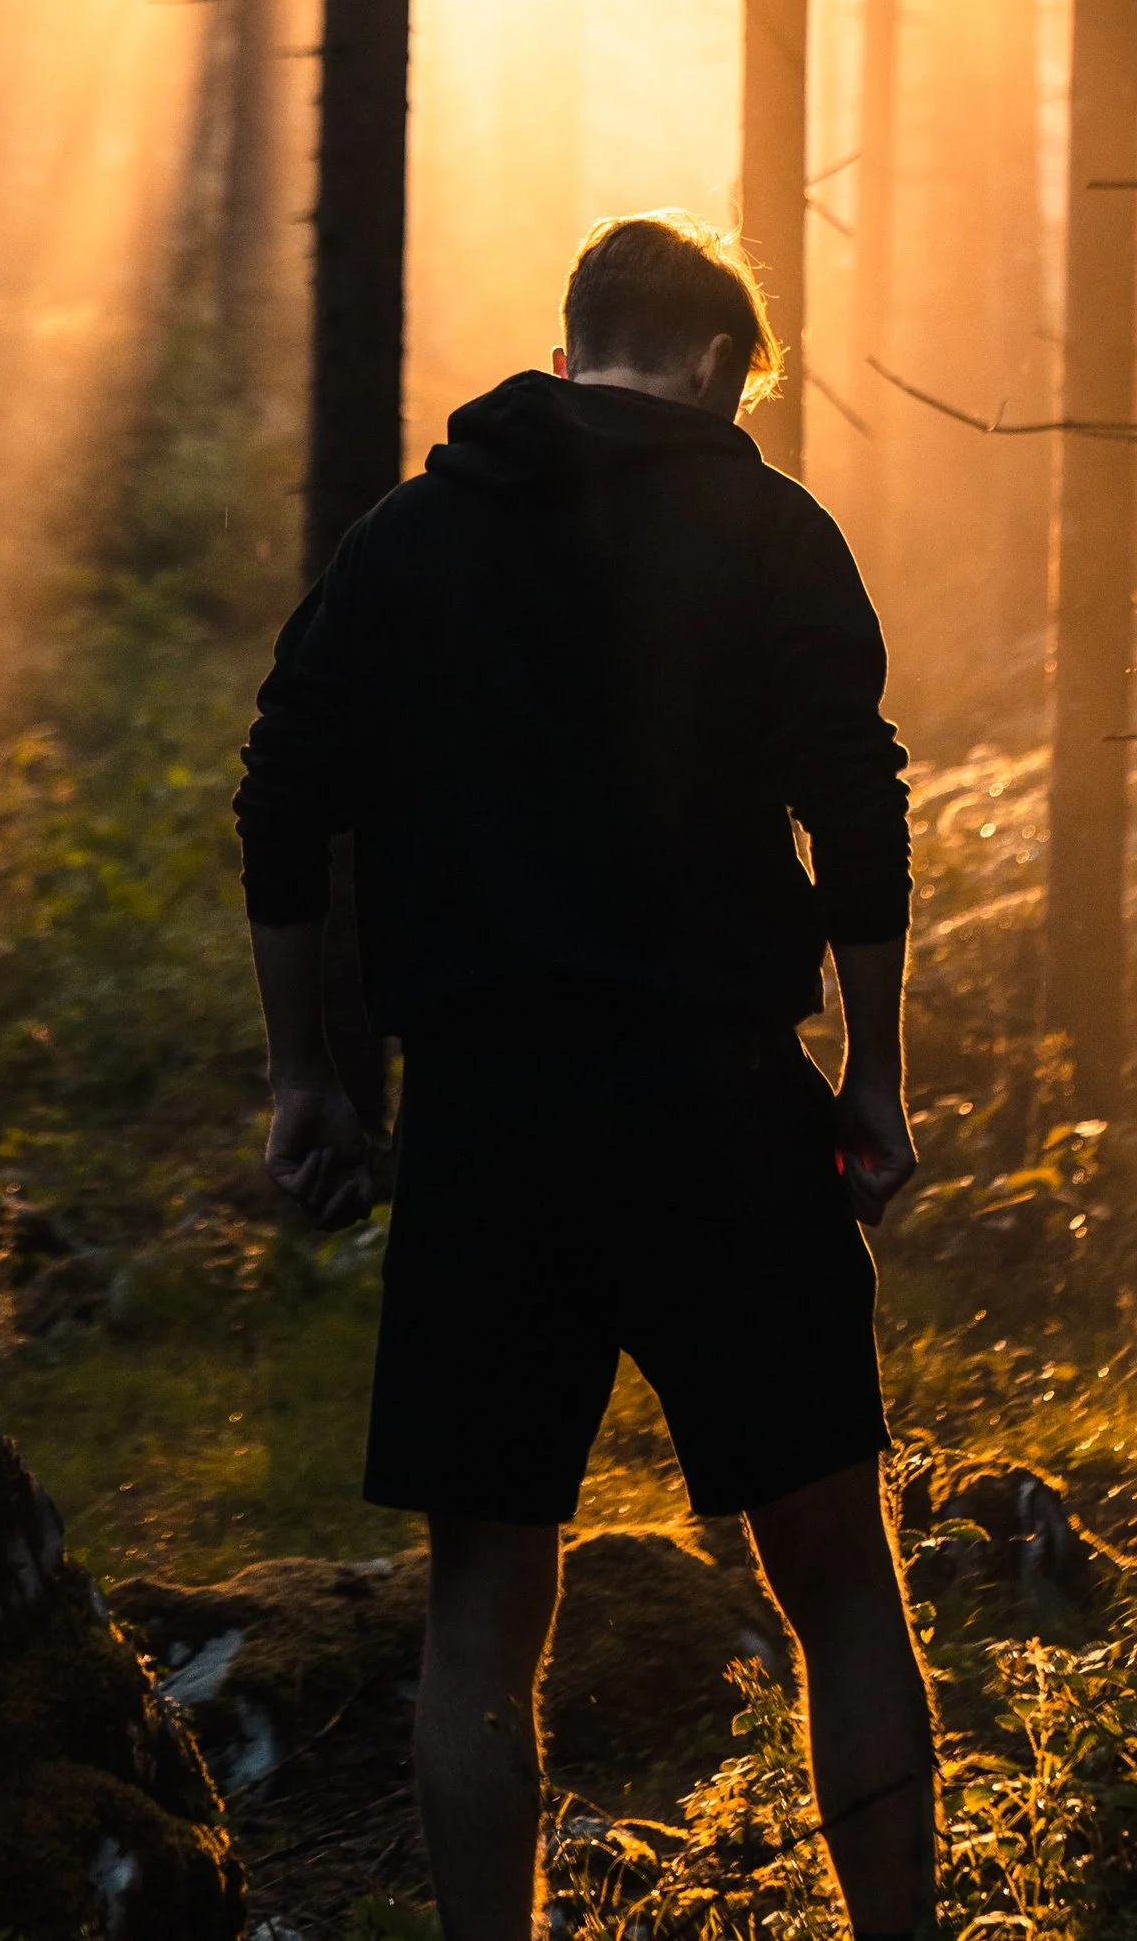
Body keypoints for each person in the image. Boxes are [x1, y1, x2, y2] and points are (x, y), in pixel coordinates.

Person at [237, 210, 932, 1941]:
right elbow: (859, 814)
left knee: (482, 1601)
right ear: (714, 365)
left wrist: (304, 1078)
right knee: (839, 1573)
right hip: (721, 1107)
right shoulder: (774, 531)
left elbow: (280, 792)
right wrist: (876, 1074)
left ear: (564, 352)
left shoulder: (406, 541)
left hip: (487, 1119)